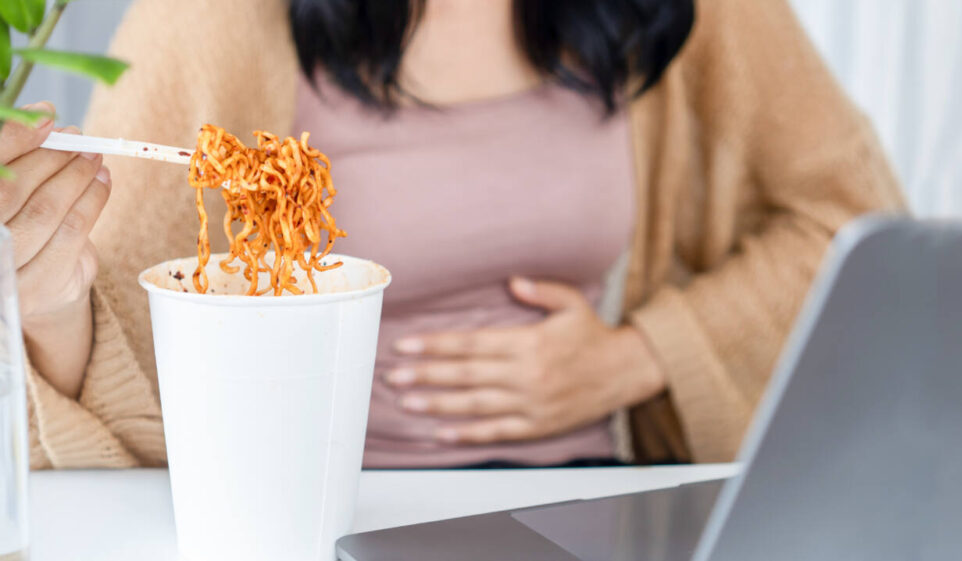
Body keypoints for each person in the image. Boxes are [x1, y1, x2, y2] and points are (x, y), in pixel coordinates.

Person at [18, 0, 905, 470]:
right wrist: (53, 300)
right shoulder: (211, 24)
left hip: (594, 501)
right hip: (323, 514)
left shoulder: (685, 14)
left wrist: (646, 355)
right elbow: (123, 351)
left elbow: (859, 222)